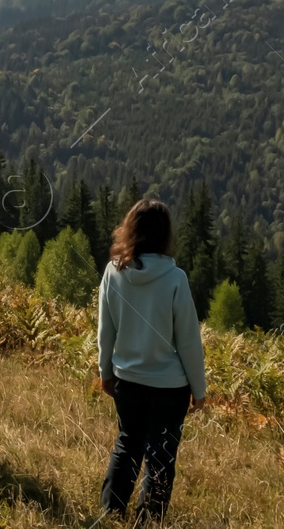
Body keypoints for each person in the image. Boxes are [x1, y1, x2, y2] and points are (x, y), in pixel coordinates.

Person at [97, 198, 207, 522]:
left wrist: (105, 372)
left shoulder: (112, 273)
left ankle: (110, 514)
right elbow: (189, 342)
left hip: (127, 381)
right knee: (161, 459)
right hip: (170, 389)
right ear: (164, 235)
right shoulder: (175, 280)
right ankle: (149, 521)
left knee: (127, 446)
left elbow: (106, 331)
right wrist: (198, 391)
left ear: (130, 229)